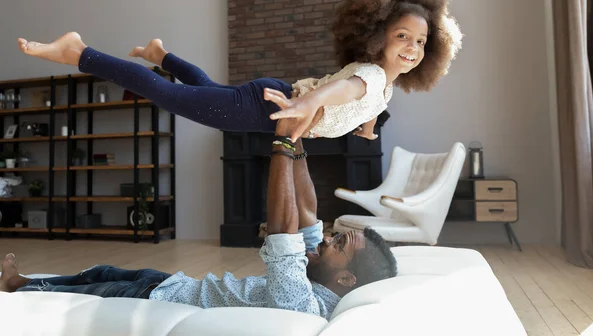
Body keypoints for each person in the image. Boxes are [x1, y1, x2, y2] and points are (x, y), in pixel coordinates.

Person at [0, 118, 398, 320]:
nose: (329, 239)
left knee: (86, 294)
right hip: (174, 283)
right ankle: (19, 282)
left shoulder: (303, 304)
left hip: (157, 300)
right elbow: (309, 212)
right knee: (99, 269)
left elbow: (284, 228)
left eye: (339, 245)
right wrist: (298, 142)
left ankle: (15, 294)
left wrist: (279, 140)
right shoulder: (320, 270)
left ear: (347, 279)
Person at [17, 0, 463, 142]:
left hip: (269, 98)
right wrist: (304, 107)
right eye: (403, 35)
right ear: (377, 36)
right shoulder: (367, 73)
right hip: (272, 107)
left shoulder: (384, 85)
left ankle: (161, 54)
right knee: (166, 96)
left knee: (205, 89)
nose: (412, 47)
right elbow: (338, 90)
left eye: (420, 43)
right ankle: (79, 51)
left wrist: (366, 127)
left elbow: (367, 104)